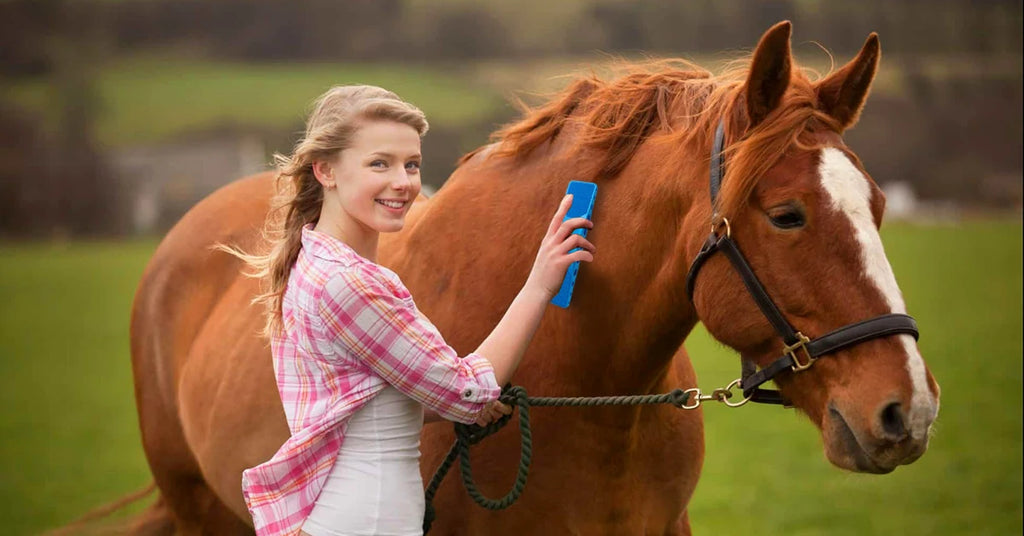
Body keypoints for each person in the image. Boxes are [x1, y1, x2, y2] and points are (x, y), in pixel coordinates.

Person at [232, 85, 595, 536]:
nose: (403, 182)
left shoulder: (313, 261)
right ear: (325, 170)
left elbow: (363, 405)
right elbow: (468, 390)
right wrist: (540, 283)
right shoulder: (353, 284)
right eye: (379, 163)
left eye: (411, 164)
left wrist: (446, 403)